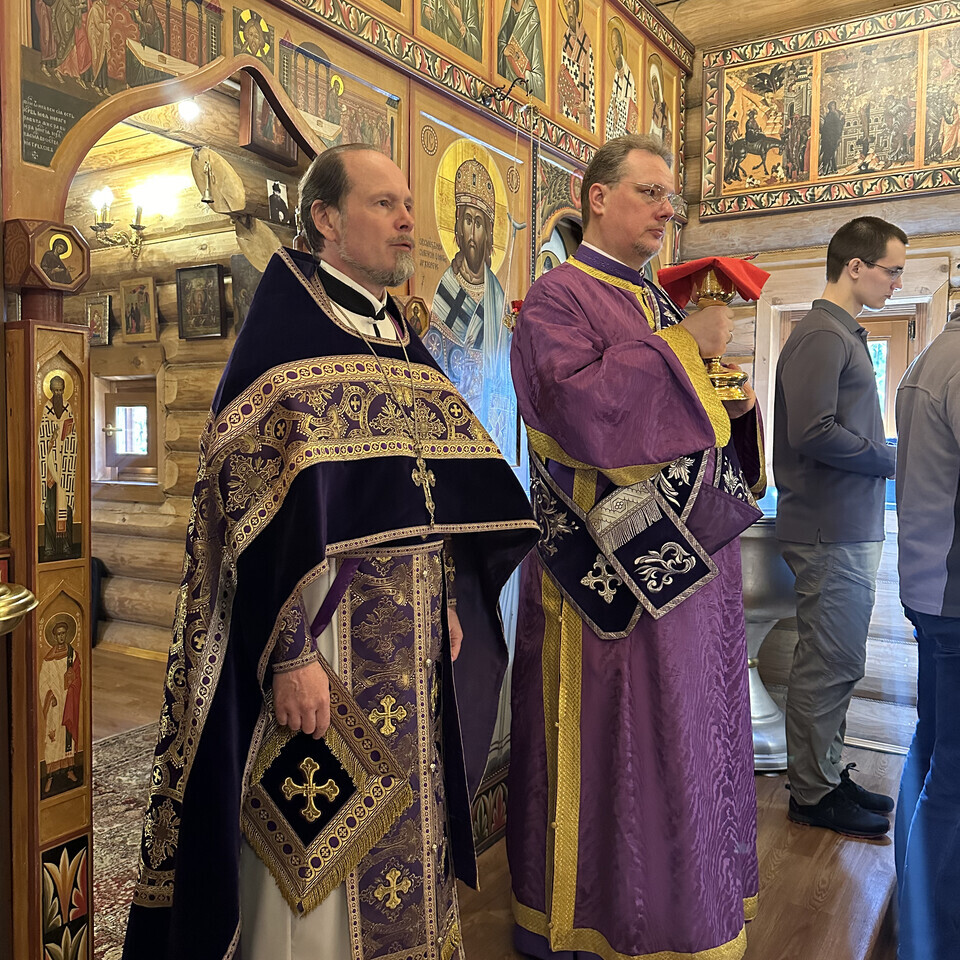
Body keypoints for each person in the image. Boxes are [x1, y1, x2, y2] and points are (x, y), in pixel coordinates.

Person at [122, 144, 538, 960]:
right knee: (318, 863)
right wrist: (288, 655)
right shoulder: (284, 340)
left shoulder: (398, 339)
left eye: (409, 204)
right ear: (325, 219)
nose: (408, 221)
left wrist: (446, 598)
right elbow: (242, 523)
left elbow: (429, 492)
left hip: (411, 654)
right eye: (385, 204)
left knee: (408, 844)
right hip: (322, 652)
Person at [508, 133, 765, 960]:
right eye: (650, 192)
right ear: (597, 197)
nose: (666, 210)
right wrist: (689, 351)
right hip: (611, 574)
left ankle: (691, 907)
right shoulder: (558, 298)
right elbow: (579, 413)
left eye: (671, 199)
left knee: (691, 734)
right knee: (629, 746)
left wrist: (734, 403)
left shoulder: (656, 301)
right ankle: (609, 924)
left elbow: (696, 424)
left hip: (690, 564)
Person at [774, 216, 903, 838]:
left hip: (844, 527)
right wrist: (889, 457)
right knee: (829, 663)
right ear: (855, 266)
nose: (896, 282)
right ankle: (812, 794)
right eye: (891, 270)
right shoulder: (822, 335)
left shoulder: (839, 333)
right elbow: (813, 432)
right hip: (829, 529)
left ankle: (825, 773)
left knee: (839, 661)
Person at [893, 304, 960, 960]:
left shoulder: (928, 359)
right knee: (953, 775)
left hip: (931, 590)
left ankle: (912, 915)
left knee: (931, 750)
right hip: (954, 597)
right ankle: (931, 939)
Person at [429, 158, 514, 459]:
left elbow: (505, 365)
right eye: (468, 220)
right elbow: (434, 355)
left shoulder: (496, 294)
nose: (473, 233)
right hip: (454, 420)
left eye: (480, 224)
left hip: (494, 422)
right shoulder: (447, 287)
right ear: (458, 226)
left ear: (489, 234)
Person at [557, 0, 595, 131]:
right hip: (568, 111)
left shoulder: (587, 44)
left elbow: (592, 86)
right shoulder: (564, 41)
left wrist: (587, 109)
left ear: (577, 6)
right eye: (566, 7)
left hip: (583, 111)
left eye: (570, 6)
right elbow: (561, 74)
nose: (569, 12)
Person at [497, 0, 545, 100]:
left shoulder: (532, 13)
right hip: (503, 84)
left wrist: (526, 74)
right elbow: (500, 39)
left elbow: (536, 58)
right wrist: (503, 48)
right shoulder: (508, 6)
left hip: (520, 84)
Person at [604, 25, 637, 140]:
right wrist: (613, 108)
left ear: (622, 48)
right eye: (613, 50)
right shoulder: (615, 76)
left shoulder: (630, 78)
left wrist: (621, 109)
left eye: (617, 48)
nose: (615, 52)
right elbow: (612, 100)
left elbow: (633, 107)